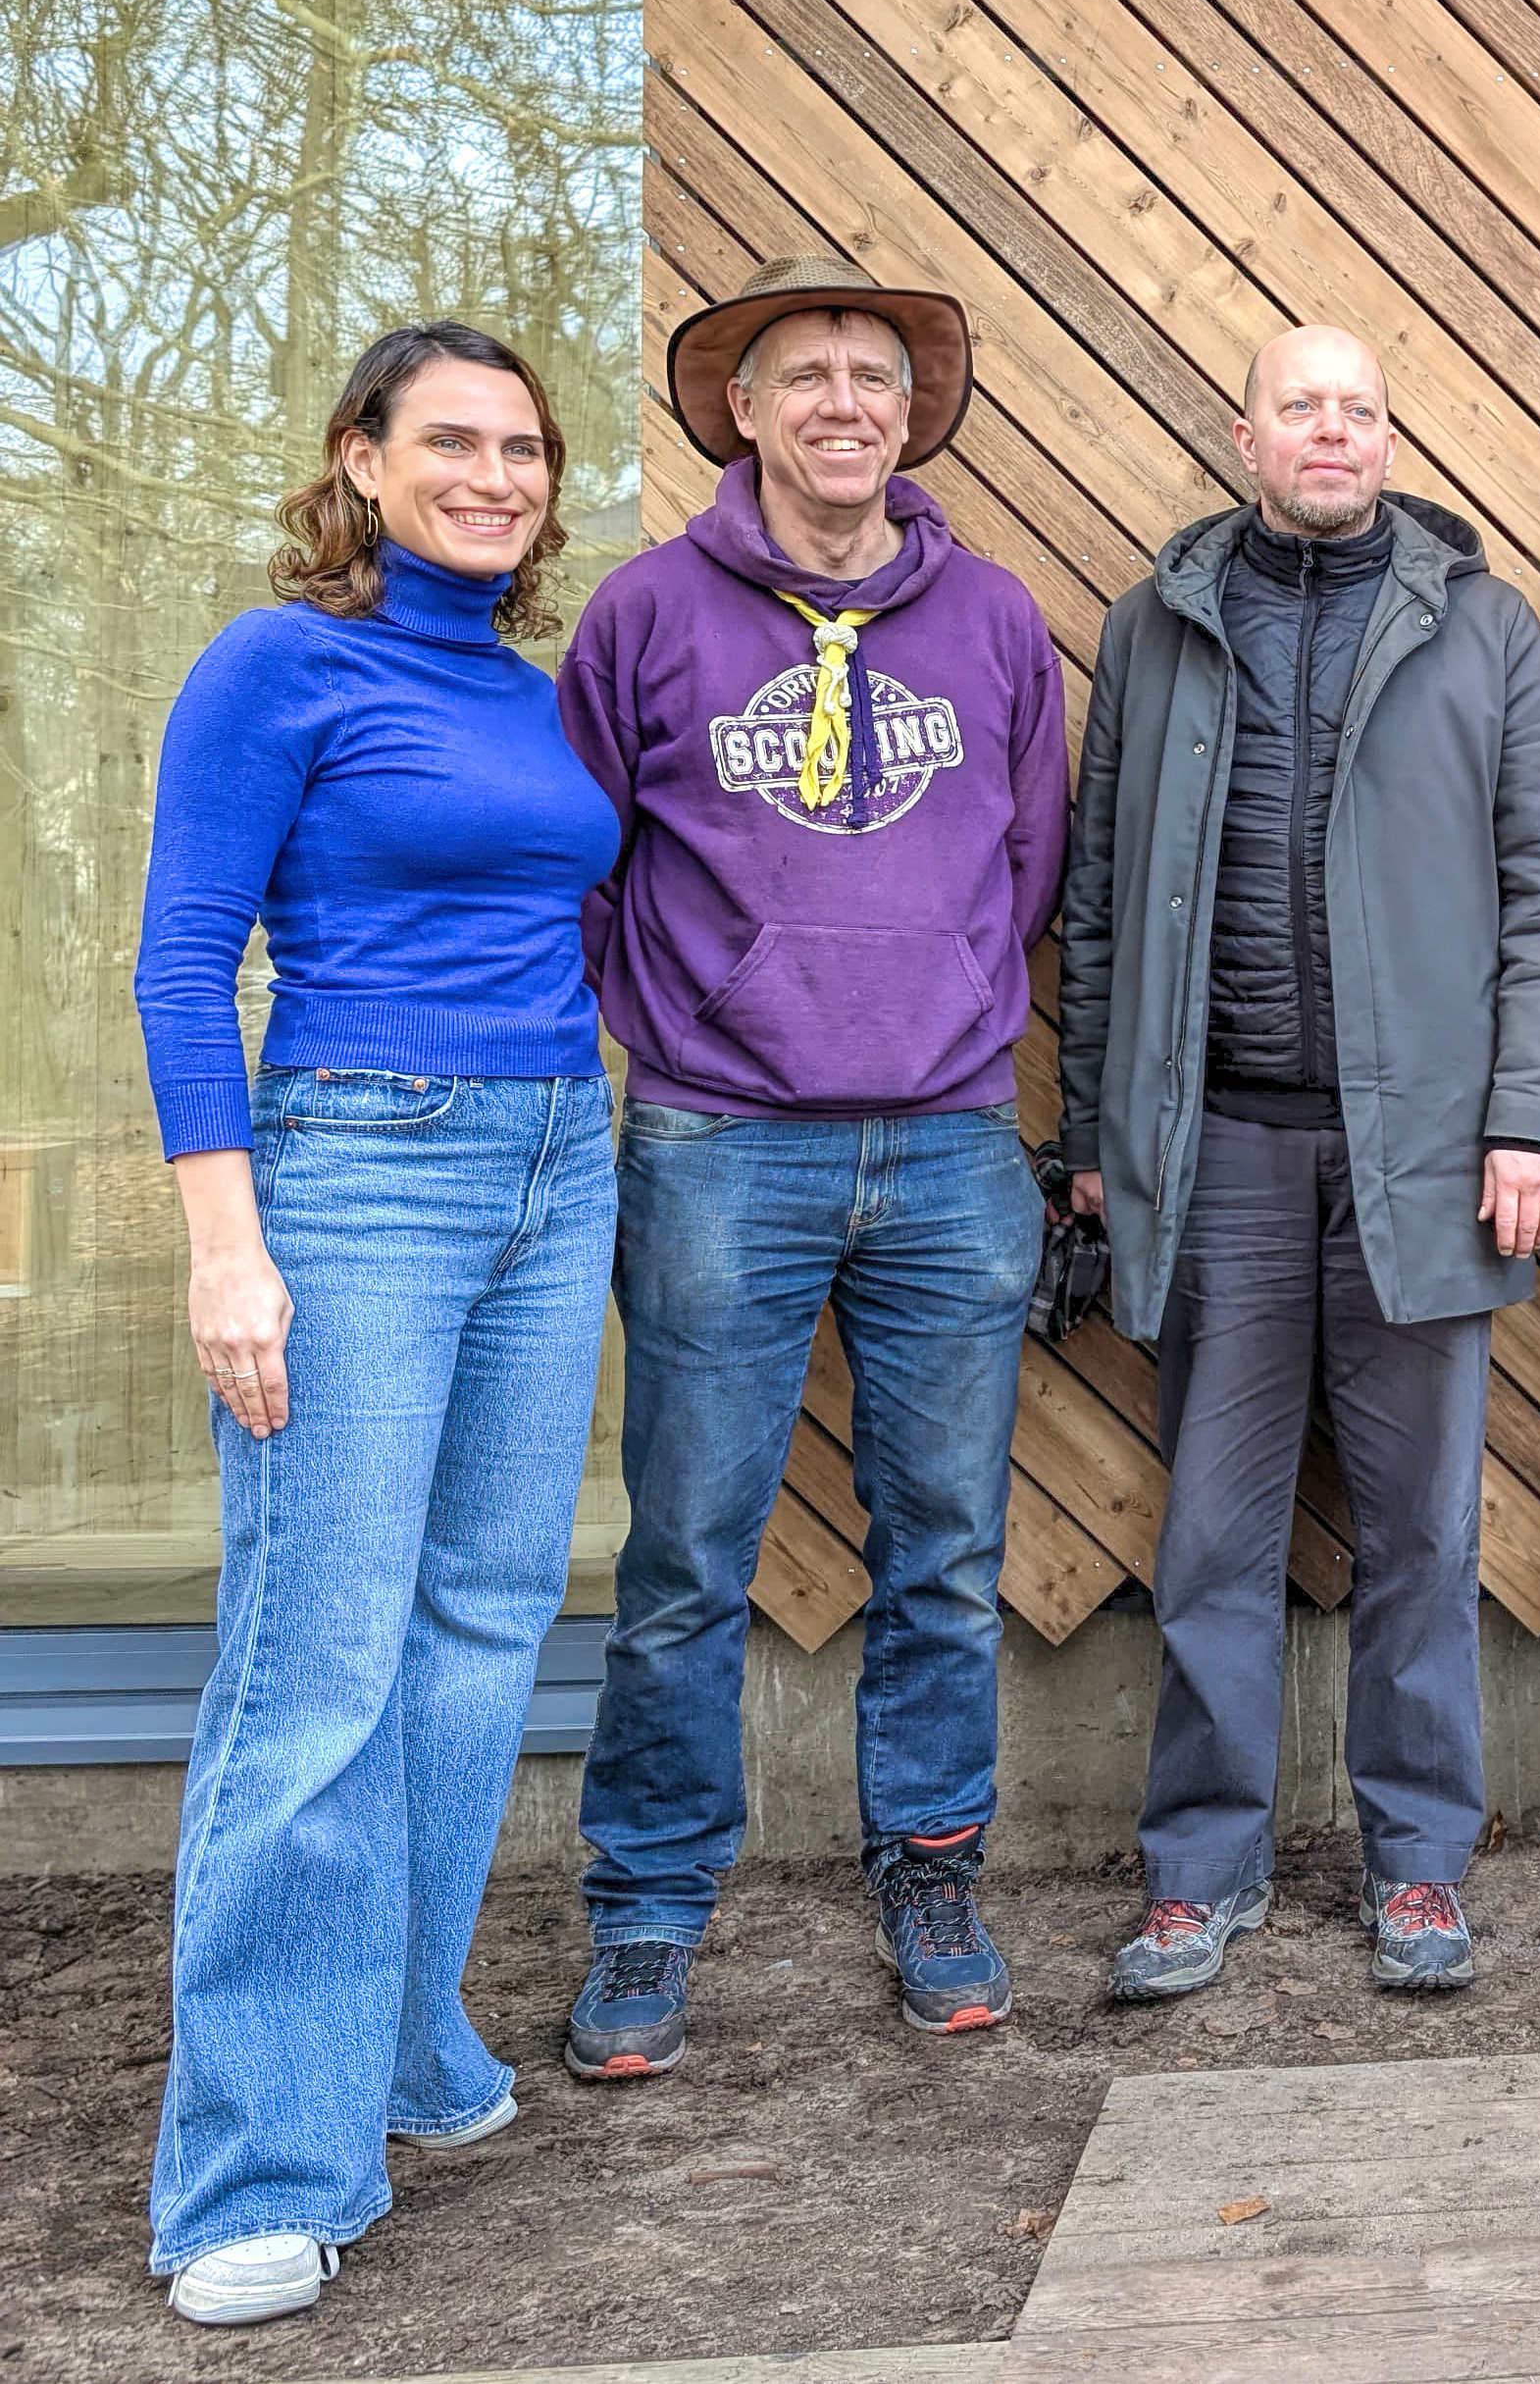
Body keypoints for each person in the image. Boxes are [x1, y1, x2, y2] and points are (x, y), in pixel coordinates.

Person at [132, 326, 620, 2327]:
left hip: (557, 1160)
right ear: (361, 458)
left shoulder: (526, 688)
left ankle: (403, 2042)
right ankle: (259, 2163)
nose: (495, 476)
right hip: (361, 1167)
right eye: (452, 441)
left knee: (479, 1628)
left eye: (524, 449)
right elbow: (183, 959)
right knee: (315, 1659)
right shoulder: (276, 664)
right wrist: (224, 1245)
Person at [556, 255, 1068, 2073]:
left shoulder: (994, 619)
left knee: (947, 1551)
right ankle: (646, 1903)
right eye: (808, 375)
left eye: (876, 377)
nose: (846, 403)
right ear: (746, 412)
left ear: (910, 418)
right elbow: (583, 862)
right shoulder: (643, 613)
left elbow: (1030, 863)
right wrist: (705, 1019)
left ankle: (931, 1870)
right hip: (719, 1145)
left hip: (947, 1144)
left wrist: (938, 1011)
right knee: (689, 1557)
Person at [1062, 324, 1540, 1998]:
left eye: (1357, 410)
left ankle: (1420, 1865)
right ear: (1246, 438)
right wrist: (1096, 1138)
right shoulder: (1156, 625)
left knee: (1423, 1535)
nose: (1331, 431)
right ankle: (1197, 1872)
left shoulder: (1482, 628)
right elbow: (1096, 904)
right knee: (1213, 1539)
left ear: (1387, 442)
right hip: (1217, 1146)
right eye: (1300, 407)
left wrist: (1535, 1115)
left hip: (1423, 1156)